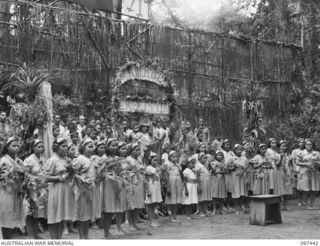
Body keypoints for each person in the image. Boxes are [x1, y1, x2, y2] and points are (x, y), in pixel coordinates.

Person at [44, 138, 76, 239]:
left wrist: (71, 174)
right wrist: (59, 177)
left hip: (66, 190)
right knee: (55, 216)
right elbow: (46, 177)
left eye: (67, 146)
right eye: (63, 146)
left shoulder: (67, 160)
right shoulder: (52, 160)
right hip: (56, 190)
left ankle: (59, 239)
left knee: (62, 216)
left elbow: (71, 174)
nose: (66, 148)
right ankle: (54, 240)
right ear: (56, 147)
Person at [0, 137, 26, 239]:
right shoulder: (3, 160)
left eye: (17, 146)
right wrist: (9, 175)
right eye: (13, 146)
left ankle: (8, 240)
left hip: (16, 192)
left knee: (12, 219)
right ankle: (5, 240)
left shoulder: (19, 161)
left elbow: (25, 175)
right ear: (7, 147)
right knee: (6, 217)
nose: (16, 148)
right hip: (6, 192)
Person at [101, 138, 128, 237]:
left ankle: (119, 228)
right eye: (112, 145)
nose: (115, 147)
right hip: (108, 183)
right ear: (107, 146)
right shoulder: (103, 158)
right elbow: (100, 172)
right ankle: (106, 232)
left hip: (118, 182)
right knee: (108, 209)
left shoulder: (118, 157)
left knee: (119, 207)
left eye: (116, 145)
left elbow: (120, 170)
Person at [72, 138, 96, 239]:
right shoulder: (80, 159)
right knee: (82, 214)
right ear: (83, 147)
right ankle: (81, 236)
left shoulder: (91, 158)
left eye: (92, 147)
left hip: (90, 187)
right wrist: (81, 179)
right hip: (81, 189)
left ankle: (86, 235)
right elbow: (73, 173)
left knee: (88, 214)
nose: (91, 149)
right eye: (89, 147)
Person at [24, 139, 47, 239]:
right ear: (33, 147)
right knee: (31, 212)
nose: (41, 148)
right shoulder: (29, 160)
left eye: (42, 147)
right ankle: (31, 234)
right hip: (32, 189)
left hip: (41, 189)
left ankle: (36, 234)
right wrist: (35, 179)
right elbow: (25, 174)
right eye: (39, 147)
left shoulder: (44, 159)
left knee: (38, 212)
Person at [126, 143, 145, 231]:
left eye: (139, 150)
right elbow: (128, 170)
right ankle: (130, 223)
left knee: (137, 203)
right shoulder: (128, 159)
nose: (138, 152)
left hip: (138, 182)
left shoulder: (138, 159)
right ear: (131, 151)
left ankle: (135, 222)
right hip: (132, 182)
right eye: (136, 150)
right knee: (132, 205)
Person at [296, 139, 320, 209]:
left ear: (312, 145)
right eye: (307, 144)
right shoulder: (301, 153)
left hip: (314, 172)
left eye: (310, 144)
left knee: (313, 188)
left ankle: (312, 204)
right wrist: (305, 164)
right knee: (305, 189)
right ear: (305, 145)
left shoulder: (317, 153)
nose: (309, 146)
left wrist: (317, 163)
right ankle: (306, 204)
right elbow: (297, 162)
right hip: (305, 171)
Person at [162, 150, 183, 223]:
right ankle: (170, 217)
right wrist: (168, 187)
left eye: (176, 157)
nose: (175, 158)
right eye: (173, 157)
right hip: (171, 183)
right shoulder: (168, 165)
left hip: (177, 182)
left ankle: (175, 216)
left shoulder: (178, 165)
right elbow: (166, 176)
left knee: (176, 200)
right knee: (170, 200)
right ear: (169, 158)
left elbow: (180, 174)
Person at [145, 152, 162, 227]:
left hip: (156, 187)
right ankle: (150, 220)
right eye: (154, 160)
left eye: (157, 160)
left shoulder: (156, 168)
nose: (156, 162)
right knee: (150, 204)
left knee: (154, 203)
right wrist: (147, 190)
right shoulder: (149, 168)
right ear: (150, 160)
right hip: (151, 187)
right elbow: (147, 178)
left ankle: (153, 219)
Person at [232, 144, 248, 214]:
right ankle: (236, 208)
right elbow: (230, 168)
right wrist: (234, 167)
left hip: (242, 176)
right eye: (237, 150)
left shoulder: (244, 158)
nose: (239, 151)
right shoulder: (232, 158)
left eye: (240, 150)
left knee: (241, 192)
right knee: (236, 192)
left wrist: (242, 172)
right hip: (235, 176)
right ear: (235, 150)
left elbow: (246, 167)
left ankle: (241, 208)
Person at [211, 150, 227, 215]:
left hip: (222, 179)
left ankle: (221, 209)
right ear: (216, 156)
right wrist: (215, 167)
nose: (220, 156)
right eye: (218, 155)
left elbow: (225, 172)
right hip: (215, 179)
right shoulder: (213, 162)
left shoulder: (224, 163)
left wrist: (221, 170)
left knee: (221, 195)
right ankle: (214, 209)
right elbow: (213, 171)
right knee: (215, 195)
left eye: (221, 155)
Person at [195, 152, 211, 217]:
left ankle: (204, 211)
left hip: (206, 184)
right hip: (201, 184)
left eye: (206, 158)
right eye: (204, 158)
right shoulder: (198, 165)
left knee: (205, 198)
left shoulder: (205, 165)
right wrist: (199, 185)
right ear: (199, 159)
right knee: (201, 198)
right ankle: (201, 212)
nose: (205, 160)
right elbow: (197, 176)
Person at [279, 140, 294, 210]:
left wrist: (291, 174)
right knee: (280, 189)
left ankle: (285, 206)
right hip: (280, 172)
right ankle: (279, 206)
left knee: (287, 189)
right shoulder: (277, 154)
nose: (284, 147)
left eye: (285, 146)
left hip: (287, 172)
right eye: (282, 145)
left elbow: (290, 165)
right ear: (279, 147)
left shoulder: (288, 155)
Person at [291, 138, 305, 206]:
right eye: (300, 142)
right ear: (298, 143)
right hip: (297, 169)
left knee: (304, 185)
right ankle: (299, 200)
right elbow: (293, 161)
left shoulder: (306, 151)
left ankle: (303, 200)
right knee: (298, 186)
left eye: (302, 142)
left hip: (304, 169)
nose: (301, 144)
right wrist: (294, 169)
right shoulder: (295, 151)